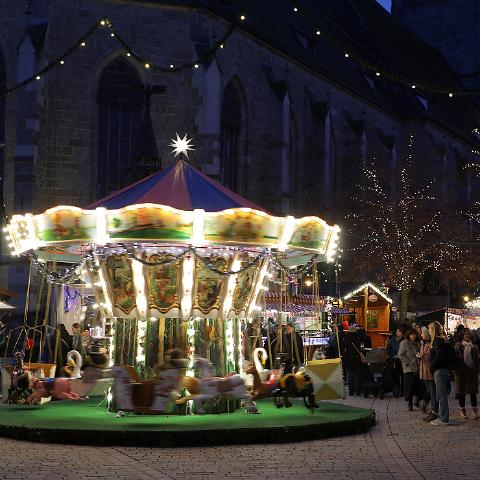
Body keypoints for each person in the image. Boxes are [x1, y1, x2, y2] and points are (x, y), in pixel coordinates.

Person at [454, 328, 479, 420]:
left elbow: (477, 360)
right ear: (462, 336)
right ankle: (462, 411)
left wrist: (477, 370)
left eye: (468, 334)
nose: (467, 336)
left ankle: (474, 411)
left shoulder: (474, 347)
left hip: (471, 371)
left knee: (473, 391)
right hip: (461, 372)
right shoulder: (458, 346)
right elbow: (455, 359)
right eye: (465, 334)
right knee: (461, 392)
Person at [429, 321, 450, 425]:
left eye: (429, 329)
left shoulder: (437, 341)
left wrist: (432, 366)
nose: (428, 331)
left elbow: (438, 356)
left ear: (433, 329)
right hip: (441, 370)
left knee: (441, 395)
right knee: (440, 395)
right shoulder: (440, 340)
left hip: (439, 370)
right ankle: (442, 417)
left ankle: (443, 418)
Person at [418, 327, 437, 422]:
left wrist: (422, 356)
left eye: (423, 333)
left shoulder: (430, 344)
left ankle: (434, 412)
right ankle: (432, 411)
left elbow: (430, 357)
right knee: (430, 392)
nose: (421, 335)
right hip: (424, 371)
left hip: (429, 371)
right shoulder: (423, 343)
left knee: (433, 393)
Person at [398, 327, 420, 411]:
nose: (413, 336)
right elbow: (400, 354)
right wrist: (407, 362)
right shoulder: (404, 343)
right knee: (409, 386)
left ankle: (417, 401)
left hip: (417, 367)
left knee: (417, 386)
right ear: (408, 335)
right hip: (409, 368)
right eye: (411, 335)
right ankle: (410, 403)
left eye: (414, 334)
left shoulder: (417, 343)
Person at [343, 326, 365, 396]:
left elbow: (344, 348)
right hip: (357, 359)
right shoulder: (359, 338)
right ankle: (357, 390)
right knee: (357, 375)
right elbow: (362, 348)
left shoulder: (345, 338)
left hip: (348, 359)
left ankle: (351, 391)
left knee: (349, 375)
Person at [387, 327, 405, 393]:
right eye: (397, 331)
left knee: (402, 375)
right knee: (394, 374)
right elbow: (389, 347)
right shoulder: (393, 339)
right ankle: (396, 389)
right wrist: (389, 355)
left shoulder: (404, 340)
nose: (397, 333)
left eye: (399, 331)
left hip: (401, 359)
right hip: (393, 359)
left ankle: (402, 390)